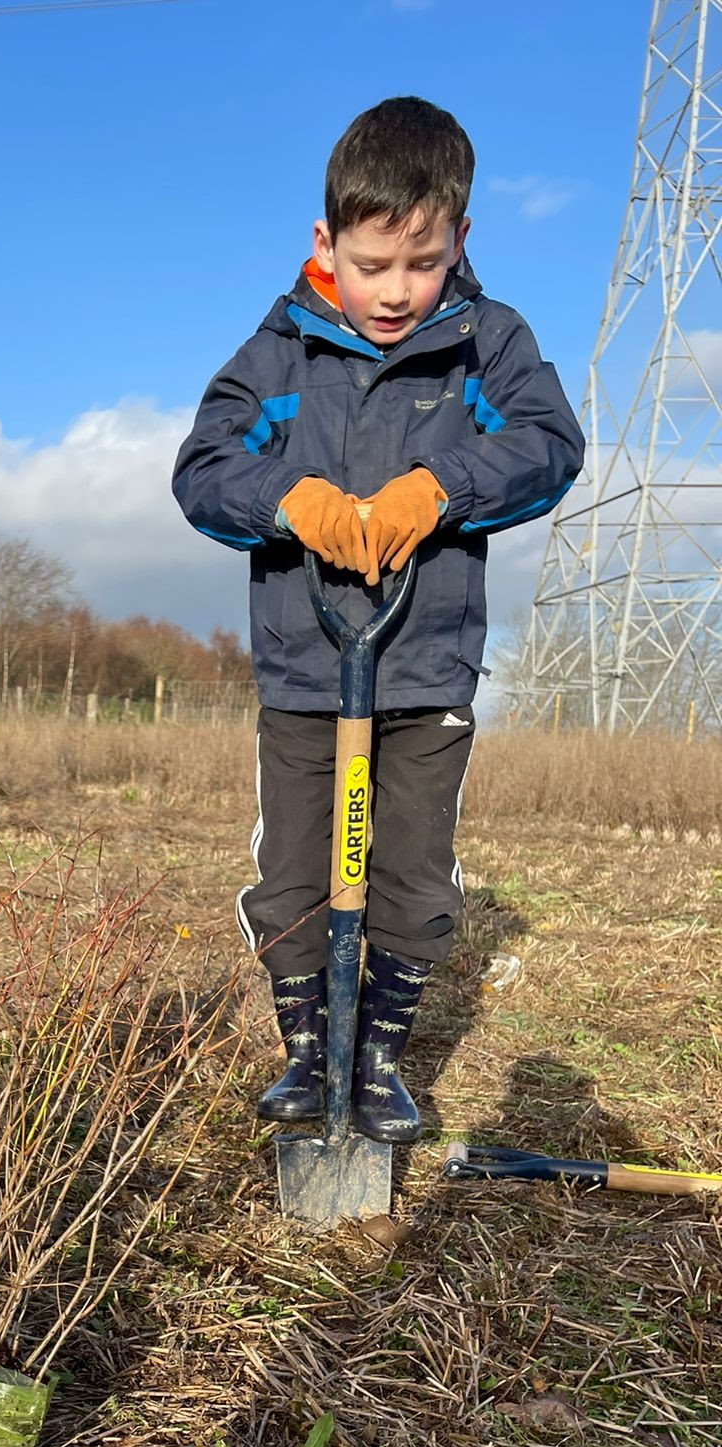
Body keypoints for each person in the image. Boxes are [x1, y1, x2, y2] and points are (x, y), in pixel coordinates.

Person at [172, 97, 583, 1141]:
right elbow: (205, 467)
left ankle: (383, 1054)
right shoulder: (282, 351)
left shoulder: (488, 343)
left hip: (427, 669)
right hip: (308, 673)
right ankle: (311, 1056)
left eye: (422, 262)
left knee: (409, 870)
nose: (396, 291)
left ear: (459, 240)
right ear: (325, 244)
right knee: (296, 872)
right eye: (370, 264)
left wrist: (436, 487)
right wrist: (290, 500)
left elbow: (548, 443)